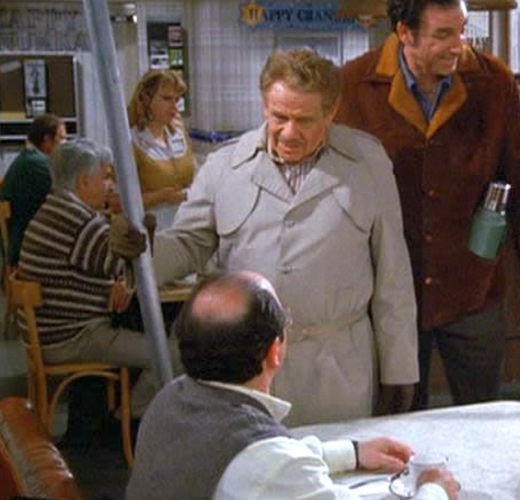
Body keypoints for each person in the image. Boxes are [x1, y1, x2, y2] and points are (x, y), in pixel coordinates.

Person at [151, 49, 418, 425]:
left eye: (305, 120)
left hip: (339, 370)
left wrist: (400, 368)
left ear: (331, 111)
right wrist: (144, 251)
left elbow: (394, 275)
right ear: (264, 106)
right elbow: (187, 245)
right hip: (248, 369)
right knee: (255, 458)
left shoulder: (367, 163)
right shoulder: (225, 167)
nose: (290, 133)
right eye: (280, 117)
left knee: (339, 459)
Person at [336, 0, 520, 410]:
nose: (458, 46)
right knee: (399, 416)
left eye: (462, 31)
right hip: (391, 288)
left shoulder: (493, 82)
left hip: (473, 285)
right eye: (443, 35)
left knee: (482, 415)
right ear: (404, 33)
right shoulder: (354, 85)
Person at [127, 271, 459, 500]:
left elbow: (250, 461)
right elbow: (267, 465)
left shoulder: (167, 401)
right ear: (275, 351)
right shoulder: (272, 464)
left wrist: (352, 453)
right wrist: (435, 489)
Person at [17, 138, 174, 417]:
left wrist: (120, 281)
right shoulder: (80, 221)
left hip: (48, 334)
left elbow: (112, 267)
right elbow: (134, 265)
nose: (110, 186)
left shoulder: (54, 208)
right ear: (83, 181)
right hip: (73, 338)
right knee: (170, 355)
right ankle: (132, 416)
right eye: (105, 177)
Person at [127, 69, 194, 229]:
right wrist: (161, 197)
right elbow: (115, 201)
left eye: (177, 99)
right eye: (166, 98)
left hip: (186, 226)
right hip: (152, 230)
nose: (174, 106)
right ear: (146, 99)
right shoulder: (131, 141)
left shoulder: (179, 134)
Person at [1, 113, 66, 267]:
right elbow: (67, 195)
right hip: (29, 248)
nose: (66, 143)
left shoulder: (29, 159)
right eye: (62, 138)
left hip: (24, 241)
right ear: (47, 140)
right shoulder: (37, 165)